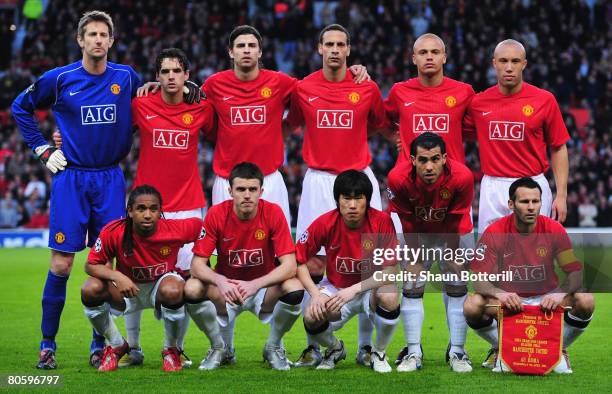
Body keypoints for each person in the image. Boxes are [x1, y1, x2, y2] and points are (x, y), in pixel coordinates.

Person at [11, 10, 141, 369]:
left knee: (104, 265)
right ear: (80, 40)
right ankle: (47, 345)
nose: (98, 40)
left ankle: (100, 345)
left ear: (112, 41)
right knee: (62, 263)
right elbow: (20, 107)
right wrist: (42, 148)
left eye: (104, 35)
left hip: (110, 179)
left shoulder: (126, 77)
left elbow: (145, 107)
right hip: (71, 179)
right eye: (92, 34)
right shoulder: (60, 78)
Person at [139, 25, 368, 225]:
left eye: (251, 45)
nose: (246, 50)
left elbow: (318, 86)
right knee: (227, 250)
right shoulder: (215, 84)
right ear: (231, 52)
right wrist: (159, 85)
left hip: (269, 179)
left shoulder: (280, 82)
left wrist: (351, 73)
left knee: (277, 251)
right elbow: (184, 97)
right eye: (240, 46)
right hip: (228, 180)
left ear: (260, 51)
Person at [286, 23, 391, 367]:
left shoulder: (367, 86)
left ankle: (364, 346)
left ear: (349, 50)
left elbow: (380, 124)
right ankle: (316, 344)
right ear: (319, 49)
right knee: (312, 261)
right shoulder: (303, 88)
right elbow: (289, 121)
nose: (334, 49)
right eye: (328, 44)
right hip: (318, 181)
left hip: (359, 179)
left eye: (340, 44)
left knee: (370, 260)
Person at [118, 48, 216, 368]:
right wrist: (63, 136)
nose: (171, 77)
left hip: (188, 208)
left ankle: (173, 347)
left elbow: (223, 126)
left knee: (185, 283)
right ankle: (132, 348)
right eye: (165, 72)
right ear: (156, 77)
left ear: (187, 75)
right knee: (134, 275)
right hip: (147, 209)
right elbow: (110, 133)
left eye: (177, 71)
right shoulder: (141, 104)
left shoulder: (201, 107)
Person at [464, 177, 594, 373]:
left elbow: (575, 273)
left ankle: (559, 348)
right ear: (511, 204)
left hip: (546, 302)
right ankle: (502, 347)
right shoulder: (495, 231)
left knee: (585, 300)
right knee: (472, 305)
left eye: (536, 201)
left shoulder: (554, 229)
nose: (531, 207)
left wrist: (559, 293)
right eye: (525, 202)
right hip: (510, 303)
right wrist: (500, 294)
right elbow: (478, 278)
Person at [183, 162, 304, 371]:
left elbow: (290, 265)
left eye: (252, 189)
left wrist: (255, 285)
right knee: (192, 288)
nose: (247, 195)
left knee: (294, 288)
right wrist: (221, 281)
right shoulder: (216, 214)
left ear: (261, 191)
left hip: (262, 289)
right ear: (230, 191)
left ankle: (273, 347)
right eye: (240, 189)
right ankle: (219, 348)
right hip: (227, 290)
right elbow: (196, 265)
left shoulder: (273, 212)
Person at [81, 185, 203, 372]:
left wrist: (201, 264)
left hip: (159, 288)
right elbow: (90, 265)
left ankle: (170, 350)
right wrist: (117, 276)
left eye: (154, 209)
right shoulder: (114, 231)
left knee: (174, 288)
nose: (148, 215)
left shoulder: (175, 229)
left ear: (160, 211)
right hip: (126, 292)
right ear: (130, 211)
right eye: (141, 209)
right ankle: (116, 345)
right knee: (90, 289)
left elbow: (205, 230)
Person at [387, 132, 474, 372]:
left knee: (457, 282)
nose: (429, 166)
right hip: (417, 231)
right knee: (412, 283)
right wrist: (414, 258)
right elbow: (407, 220)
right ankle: (413, 351)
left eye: (435, 159)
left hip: (453, 230)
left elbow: (455, 220)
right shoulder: (397, 178)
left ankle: (458, 351)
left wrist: (452, 255)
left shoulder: (463, 177)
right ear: (412, 159)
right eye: (423, 160)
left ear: (445, 158)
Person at [297, 170, 400, 373]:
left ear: (367, 200)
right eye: (347, 198)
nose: (352, 205)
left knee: (389, 294)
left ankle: (378, 353)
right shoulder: (325, 223)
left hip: (369, 288)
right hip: (336, 287)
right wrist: (316, 294)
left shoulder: (381, 221)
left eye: (358, 198)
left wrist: (353, 290)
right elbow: (298, 260)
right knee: (311, 315)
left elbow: (389, 271)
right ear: (337, 200)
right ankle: (336, 348)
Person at [464, 39, 569, 235]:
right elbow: (454, 131)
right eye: (503, 61)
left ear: (524, 64)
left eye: (515, 61)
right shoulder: (478, 102)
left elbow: (558, 147)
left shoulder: (544, 100)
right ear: (494, 63)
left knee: (532, 254)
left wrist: (561, 195)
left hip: (532, 184)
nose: (509, 67)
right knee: (491, 256)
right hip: (493, 186)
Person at [384, 33, 475, 165]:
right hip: (409, 176)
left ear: (444, 58)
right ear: (414, 59)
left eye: (435, 52)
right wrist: (395, 137)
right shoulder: (399, 91)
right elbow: (380, 120)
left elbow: (479, 126)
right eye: (423, 52)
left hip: (452, 176)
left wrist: (456, 135)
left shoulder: (464, 92)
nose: (429, 57)